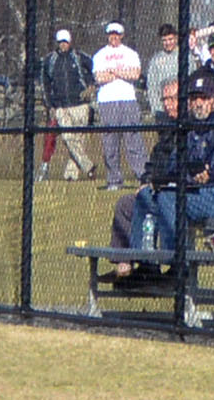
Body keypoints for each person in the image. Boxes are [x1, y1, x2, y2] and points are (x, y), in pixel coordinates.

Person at [131, 71, 214, 255]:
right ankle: (144, 265)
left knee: (168, 198)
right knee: (145, 195)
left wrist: (193, 174)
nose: (198, 103)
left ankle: (176, 262)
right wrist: (192, 173)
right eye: (194, 98)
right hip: (197, 191)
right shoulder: (189, 129)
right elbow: (174, 164)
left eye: (203, 98)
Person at [108, 80, 180, 274]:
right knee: (125, 204)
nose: (168, 104)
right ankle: (127, 262)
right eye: (165, 100)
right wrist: (146, 181)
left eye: (173, 99)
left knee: (150, 201)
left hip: (173, 193)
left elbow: (180, 169)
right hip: (155, 188)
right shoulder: (166, 130)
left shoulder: (189, 130)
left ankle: (164, 266)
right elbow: (152, 164)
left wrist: (155, 184)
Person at [91, 22, 147, 189]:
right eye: (111, 34)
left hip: (127, 100)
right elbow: (99, 78)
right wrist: (122, 74)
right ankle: (114, 180)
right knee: (110, 142)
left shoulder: (130, 53)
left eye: (117, 34)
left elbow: (135, 74)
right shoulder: (100, 55)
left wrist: (114, 73)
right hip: (107, 101)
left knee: (134, 140)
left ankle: (143, 176)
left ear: (122, 35)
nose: (114, 37)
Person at [39, 28, 97, 182]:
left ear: (70, 42)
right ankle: (88, 166)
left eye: (65, 41)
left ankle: (71, 174)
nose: (63, 45)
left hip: (80, 104)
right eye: (60, 42)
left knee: (78, 140)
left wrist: (91, 86)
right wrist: (50, 104)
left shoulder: (78, 57)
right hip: (61, 106)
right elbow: (44, 83)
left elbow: (94, 68)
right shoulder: (50, 60)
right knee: (68, 137)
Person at [144, 23, 181, 117]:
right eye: (164, 40)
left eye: (170, 39)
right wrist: (157, 110)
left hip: (182, 107)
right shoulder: (156, 60)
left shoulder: (185, 56)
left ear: (176, 38)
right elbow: (152, 87)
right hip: (164, 109)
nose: (168, 43)